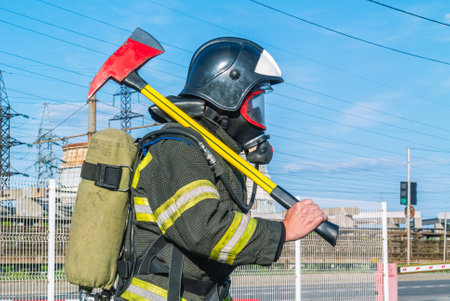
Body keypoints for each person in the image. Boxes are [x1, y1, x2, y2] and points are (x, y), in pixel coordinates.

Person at [117, 37, 327, 301]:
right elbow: (204, 230)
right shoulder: (177, 148)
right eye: (254, 105)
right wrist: (283, 230)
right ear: (227, 97)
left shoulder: (209, 152)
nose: (258, 120)